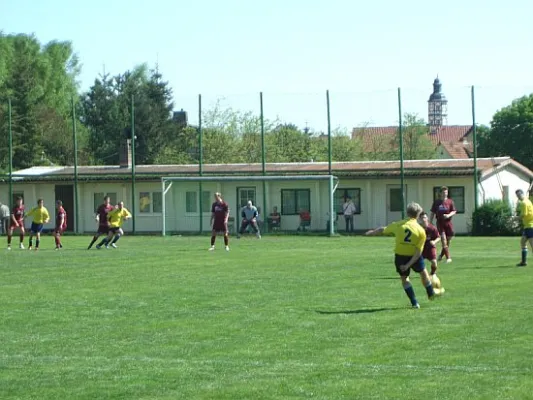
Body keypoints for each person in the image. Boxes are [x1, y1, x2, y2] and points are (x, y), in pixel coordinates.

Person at [365, 202, 436, 309]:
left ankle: (414, 303)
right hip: (414, 256)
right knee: (424, 273)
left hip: (400, 256)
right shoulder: (421, 231)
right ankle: (431, 293)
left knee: (404, 279)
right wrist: (409, 265)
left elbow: (382, 230)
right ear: (418, 215)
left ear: (407, 213)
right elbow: (418, 253)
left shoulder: (398, 225)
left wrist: (371, 233)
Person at [430, 186, 456, 263]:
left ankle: (441, 255)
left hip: (448, 223)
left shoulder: (450, 201)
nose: (445, 193)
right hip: (440, 223)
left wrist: (448, 215)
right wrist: (430, 222)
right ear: (440, 193)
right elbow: (432, 212)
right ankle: (448, 258)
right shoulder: (436, 202)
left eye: (446, 192)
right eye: (443, 192)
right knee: (443, 240)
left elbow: (454, 211)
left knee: (448, 241)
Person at [515, 189, 533, 267]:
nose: (518, 197)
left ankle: (523, 261)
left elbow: (523, 215)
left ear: (522, 194)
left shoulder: (524, 203)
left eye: (519, 195)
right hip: (527, 226)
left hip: (530, 226)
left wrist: (514, 218)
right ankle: (524, 262)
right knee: (523, 242)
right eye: (517, 195)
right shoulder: (528, 201)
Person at [419, 212, 441, 276]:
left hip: (430, 247)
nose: (423, 219)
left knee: (434, 263)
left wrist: (434, 242)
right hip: (421, 248)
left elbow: (438, 237)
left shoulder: (432, 228)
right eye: (421, 218)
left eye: (424, 217)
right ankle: (406, 274)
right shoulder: (418, 228)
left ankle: (432, 274)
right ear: (419, 219)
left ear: (427, 218)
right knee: (417, 263)